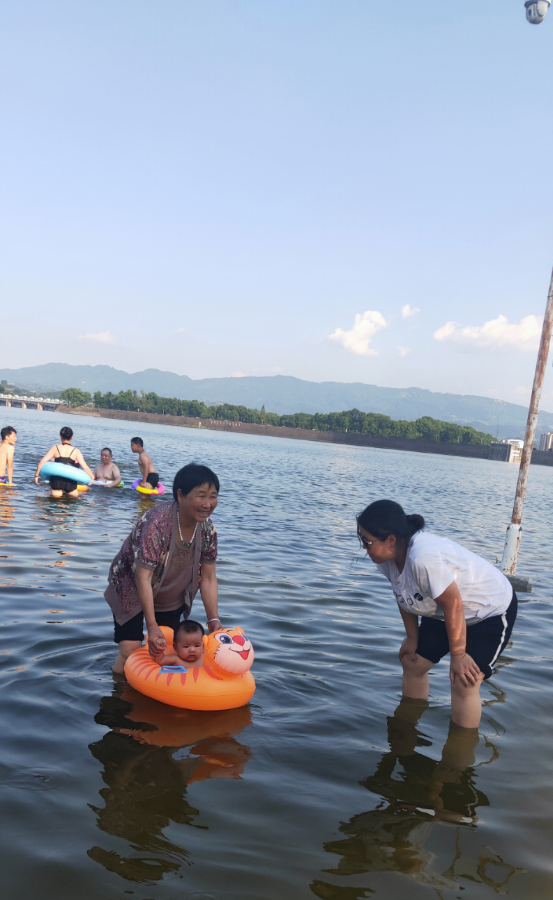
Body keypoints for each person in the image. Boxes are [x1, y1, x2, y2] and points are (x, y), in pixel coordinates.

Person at [357, 499, 517, 729]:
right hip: (443, 610)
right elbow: (403, 594)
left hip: (489, 610)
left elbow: (454, 604)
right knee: (412, 663)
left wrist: (458, 655)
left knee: (464, 681)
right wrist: (412, 638)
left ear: (391, 540)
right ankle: (406, 731)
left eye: (367, 541)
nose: (364, 547)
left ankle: (458, 759)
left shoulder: (422, 557)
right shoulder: (387, 559)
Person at [105, 462, 221, 674]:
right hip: (131, 586)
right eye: (201, 495)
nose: (207, 503)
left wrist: (213, 620)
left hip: (171, 593)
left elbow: (208, 578)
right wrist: (151, 626)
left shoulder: (208, 529)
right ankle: (117, 697)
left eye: (213, 496)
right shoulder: (158, 523)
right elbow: (143, 577)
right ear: (180, 495)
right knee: (130, 650)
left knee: (169, 649)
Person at [34, 426, 95, 497]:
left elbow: (42, 462)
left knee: (56, 502)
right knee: (73, 501)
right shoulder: (76, 451)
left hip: (56, 479)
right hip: (70, 480)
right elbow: (85, 467)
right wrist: (92, 477)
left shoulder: (54, 448)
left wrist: (36, 476)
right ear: (72, 437)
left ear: (60, 437)